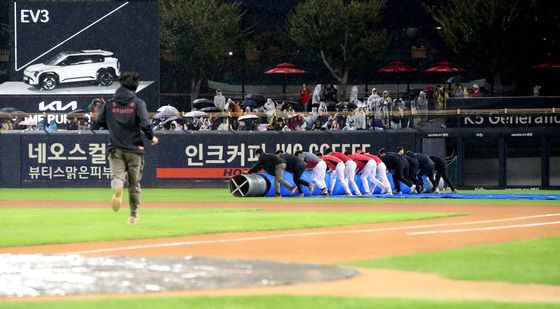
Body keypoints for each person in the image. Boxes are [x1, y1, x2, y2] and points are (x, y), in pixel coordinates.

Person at [96, 71, 159, 224]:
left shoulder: (110, 104)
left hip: (115, 148)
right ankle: (133, 214)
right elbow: (145, 123)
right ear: (135, 87)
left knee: (117, 177)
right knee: (134, 184)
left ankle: (117, 190)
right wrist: (151, 137)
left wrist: (112, 123)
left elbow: (99, 121)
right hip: (134, 149)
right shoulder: (138, 103)